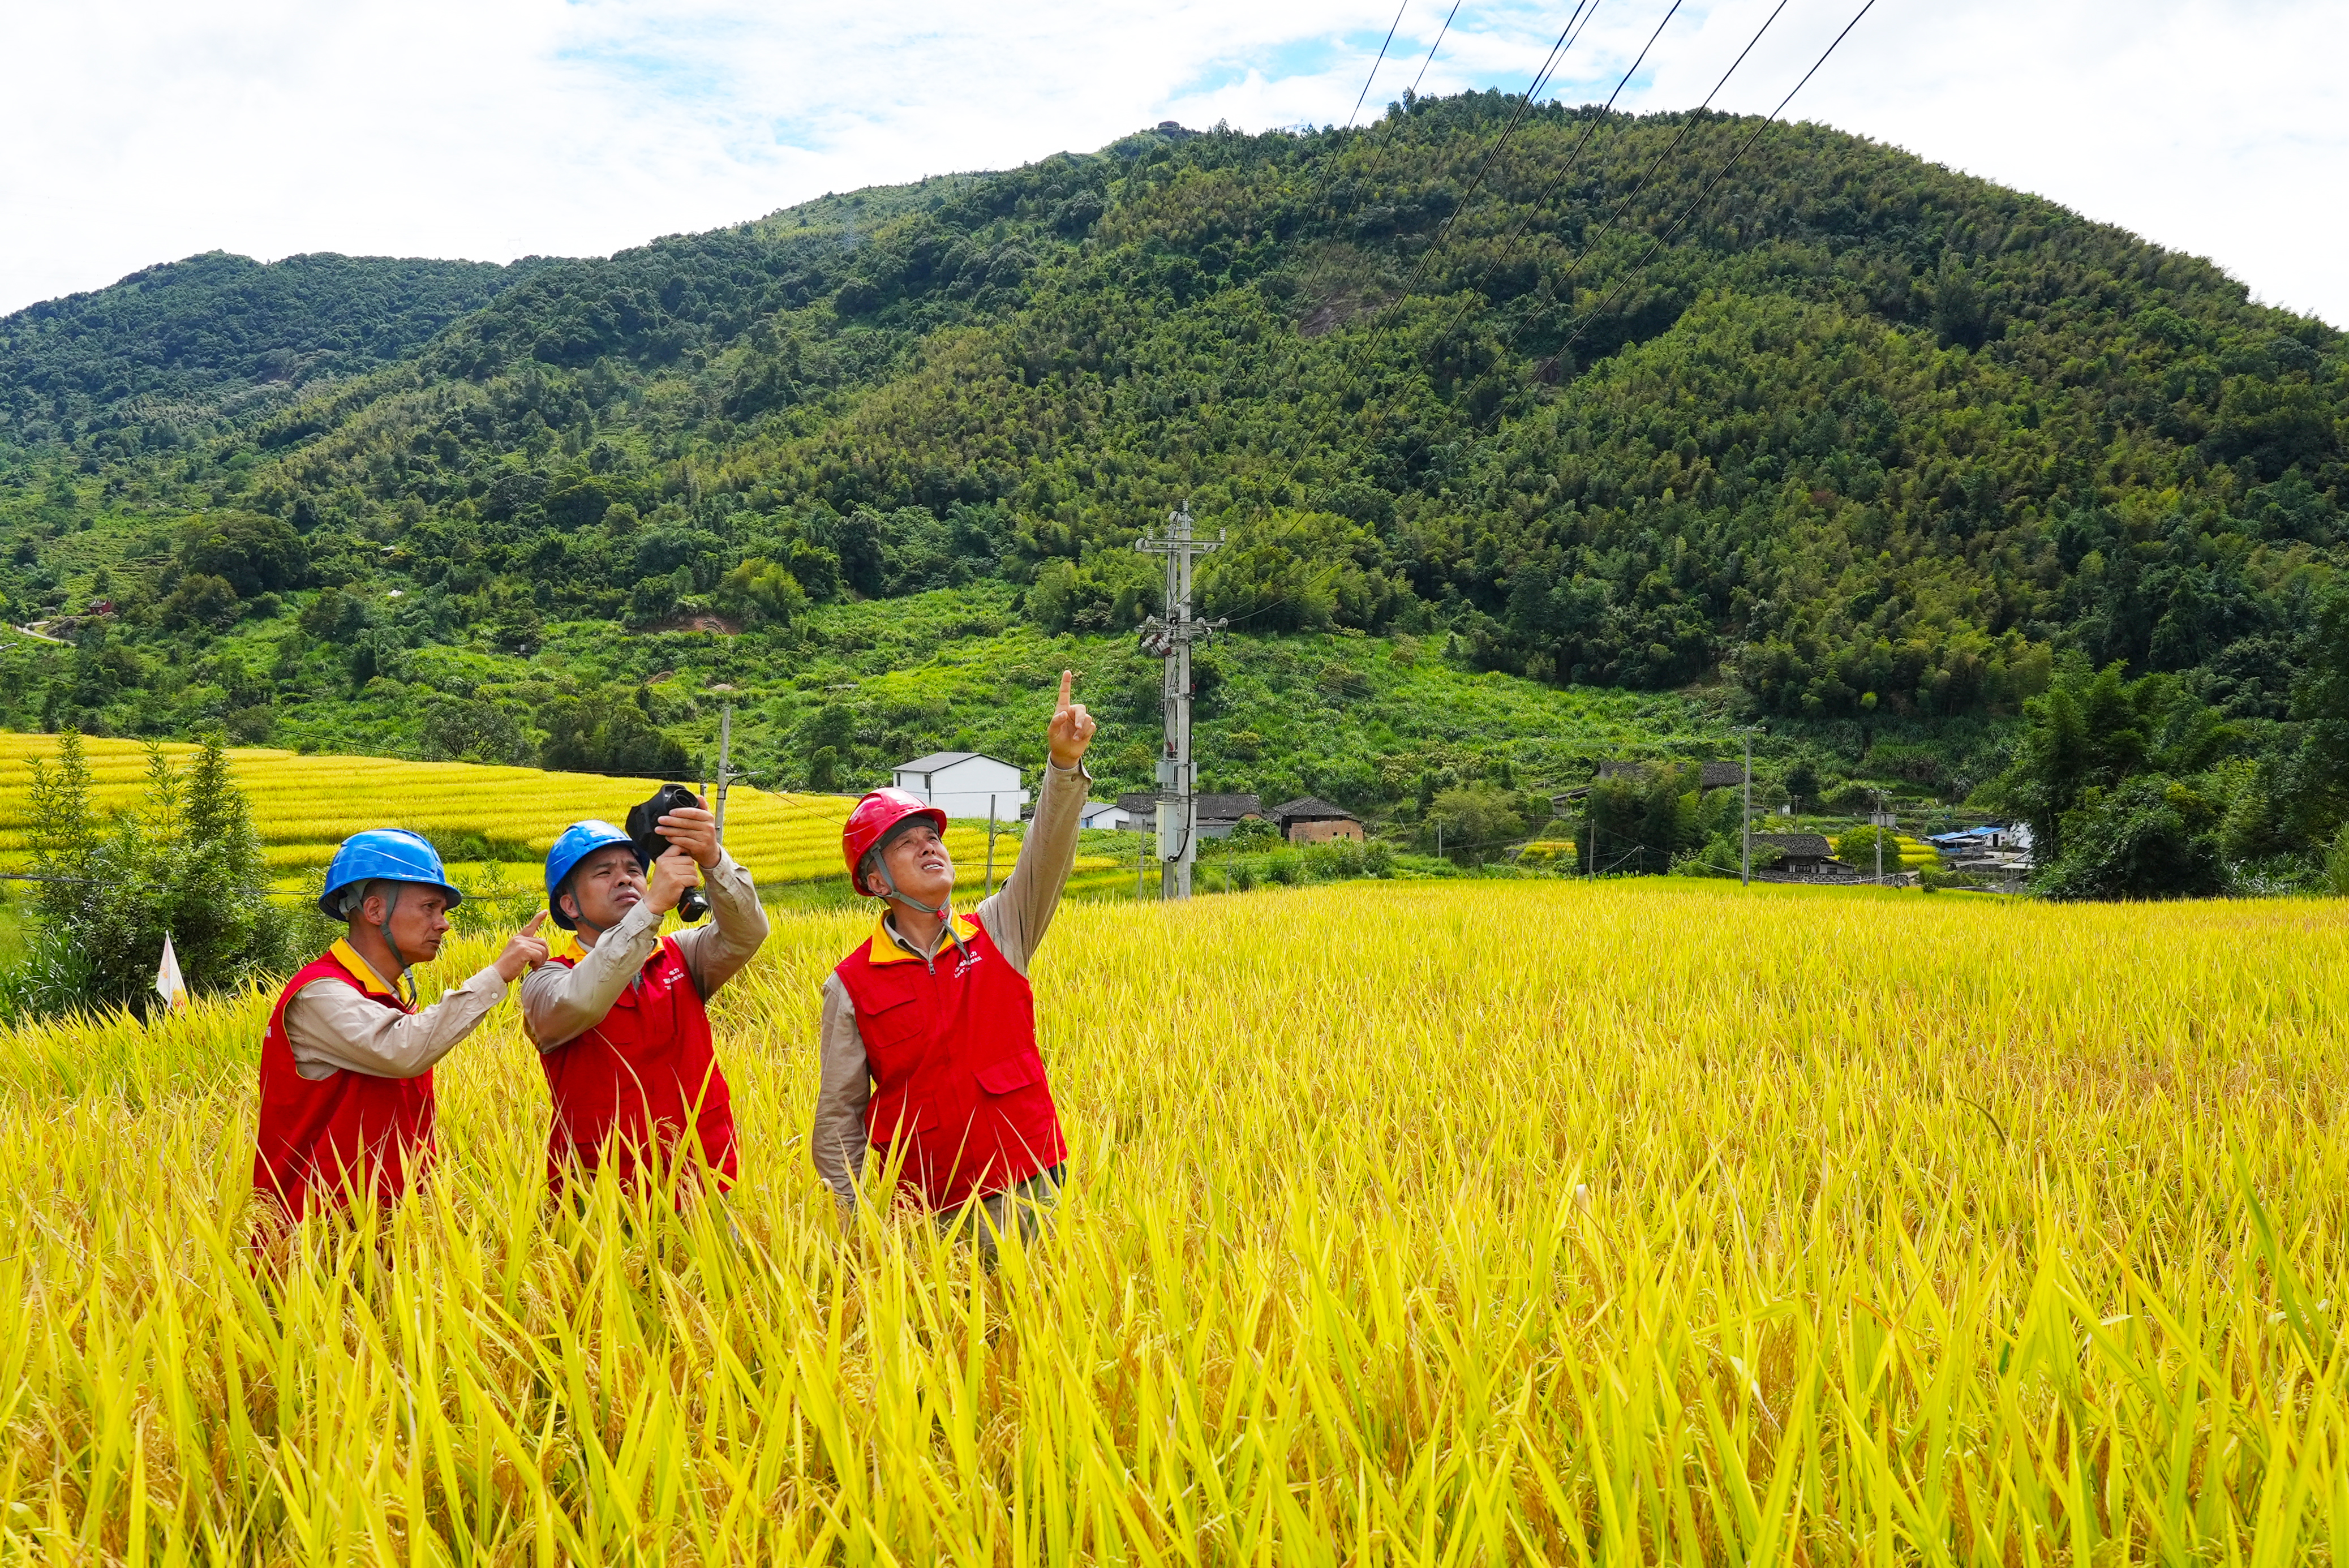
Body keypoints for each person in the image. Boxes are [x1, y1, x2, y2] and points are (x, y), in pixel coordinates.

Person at [813, 669, 1097, 1256]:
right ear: (874, 879)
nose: (928, 845)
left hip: (1028, 1187)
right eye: (905, 841)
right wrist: (858, 1224)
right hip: (927, 1217)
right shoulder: (850, 985)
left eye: (930, 834)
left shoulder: (999, 929)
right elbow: (839, 1119)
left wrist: (1062, 767)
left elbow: (1047, 851)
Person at [253, 830, 550, 1220]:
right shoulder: (320, 994)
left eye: (442, 911)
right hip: (316, 1249)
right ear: (375, 910)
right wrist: (497, 975)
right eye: (429, 907)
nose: (443, 924)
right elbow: (402, 1049)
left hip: (383, 1237)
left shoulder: (382, 996)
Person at [522, 794, 769, 1195]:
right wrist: (651, 906)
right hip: (602, 1193)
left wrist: (711, 858)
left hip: (703, 1177)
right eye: (603, 872)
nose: (625, 879)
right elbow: (582, 1000)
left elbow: (747, 932)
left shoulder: (681, 954)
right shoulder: (547, 982)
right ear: (568, 904)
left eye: (635, 869)